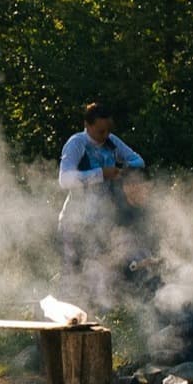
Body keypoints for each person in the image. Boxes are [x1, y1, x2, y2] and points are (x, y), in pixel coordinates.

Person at [55, 102, 147, 304]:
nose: (105, 135)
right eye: (100, 130)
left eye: (108, 130)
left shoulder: (111, 142)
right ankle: (65, 316)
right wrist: (101, 174)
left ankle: (98, 314)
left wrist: (120, 169)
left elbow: (138, 161)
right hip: (75, 222)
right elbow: (65, 179)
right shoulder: (77, 143)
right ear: (87, 125)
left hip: (102, 221)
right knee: (73, 273)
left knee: (101, 271)